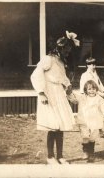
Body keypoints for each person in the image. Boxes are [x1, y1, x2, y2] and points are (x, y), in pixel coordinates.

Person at [30, 31, 80, 164]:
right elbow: (36, 74)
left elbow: (63, 79)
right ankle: (50, 157)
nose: (68, 52)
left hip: (59, 94)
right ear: (60, 48)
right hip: (49, 94)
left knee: (61, 126)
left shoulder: (61, 62)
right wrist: (41, 92)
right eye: (66, 49)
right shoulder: (48, 59)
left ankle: (60, 156)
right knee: (53, 126)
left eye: (69, 50)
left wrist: (69, 89)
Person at [68, 80, 104, 162]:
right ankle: (86, 152)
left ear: (96, 89)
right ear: (86, 90)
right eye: (89, 89)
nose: (92, 91)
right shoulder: (82, 98)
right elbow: (73, 98)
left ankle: (91, 153)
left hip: (95, 121)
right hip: (84, 121)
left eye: (93, 89)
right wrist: (69, 92)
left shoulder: (99, 99)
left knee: (92, 138)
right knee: (85, 137)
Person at [79, 57, 104, 137]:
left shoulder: (95, 73)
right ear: (87, 65)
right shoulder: (85, 75)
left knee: (98, 113)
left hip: (96, 95)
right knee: (89, 114)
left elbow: (99, 85)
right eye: (91, 64)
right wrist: (84, 97)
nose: (93, 66)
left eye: (94, 64)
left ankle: (99, 130)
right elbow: (83, 87)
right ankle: (89, 130)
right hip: (88, 97)